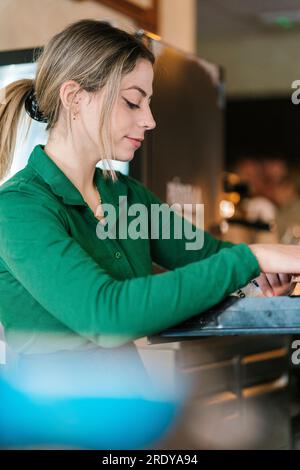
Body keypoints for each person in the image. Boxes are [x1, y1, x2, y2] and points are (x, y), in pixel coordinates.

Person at [0, 20, 300, 396]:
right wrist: (254, 258)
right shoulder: (17, 207)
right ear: (74, 97)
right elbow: (107, 315)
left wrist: (259, 282)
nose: (150, 119)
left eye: (149, 102)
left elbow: (211, 256)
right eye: (132, 101)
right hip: (54, 425)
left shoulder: (126, 196)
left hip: (132, 411)